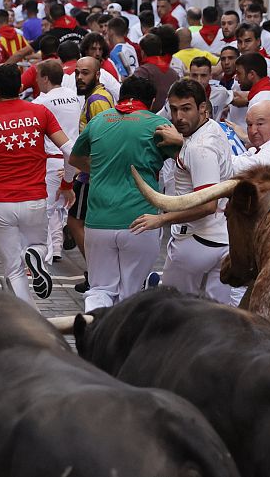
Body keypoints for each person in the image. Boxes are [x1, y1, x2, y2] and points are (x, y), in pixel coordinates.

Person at [0, 65, 75, 306]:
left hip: (0, 201)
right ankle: (36, 255)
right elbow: (69, 150)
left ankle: (31, 320)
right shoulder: (41, 113)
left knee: (13, 269)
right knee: (38, 246)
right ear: (21, 87)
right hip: (34, 198)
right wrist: (68, 180)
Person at [71, 76, 176, 311]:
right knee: (131, 292)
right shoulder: (157, 123)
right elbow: (184, 160)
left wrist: (99, 170)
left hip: (98, 221)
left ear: (120, 97)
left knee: (99, 289)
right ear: (150, 101)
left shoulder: (98, 121)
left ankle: (94, 336)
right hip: (140, 221)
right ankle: (124, 342)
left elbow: (75, 158)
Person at [151, 79, 234, 305]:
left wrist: (161, 220)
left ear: (203, 108)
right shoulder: (212, 128)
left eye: (186, 109)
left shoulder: (200, 149)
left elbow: (207, 205)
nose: (179, 117)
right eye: (174, 109)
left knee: (171, 310)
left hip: (195, 243)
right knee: (219, 319)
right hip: (224, 242)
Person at [69, 55, 115, 293]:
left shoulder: (97, 100)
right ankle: (98, 272)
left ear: (97, 74)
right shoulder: (97, 96)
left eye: (85, 73)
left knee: (76, 222)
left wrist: (87, 169)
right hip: (91, 170)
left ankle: (97, 273)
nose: (79, 77)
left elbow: (104, 137)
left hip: (92, 172)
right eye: (77, 72)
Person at [32, 60, 81, 263]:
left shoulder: (40, 103)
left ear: (45, 78)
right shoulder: (74, 97)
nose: (35, 80)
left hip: (52, 160)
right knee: (60, 208)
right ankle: (57, 248)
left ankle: (43, 257)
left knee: (45, 211)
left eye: (37, 76)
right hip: (73, 160)